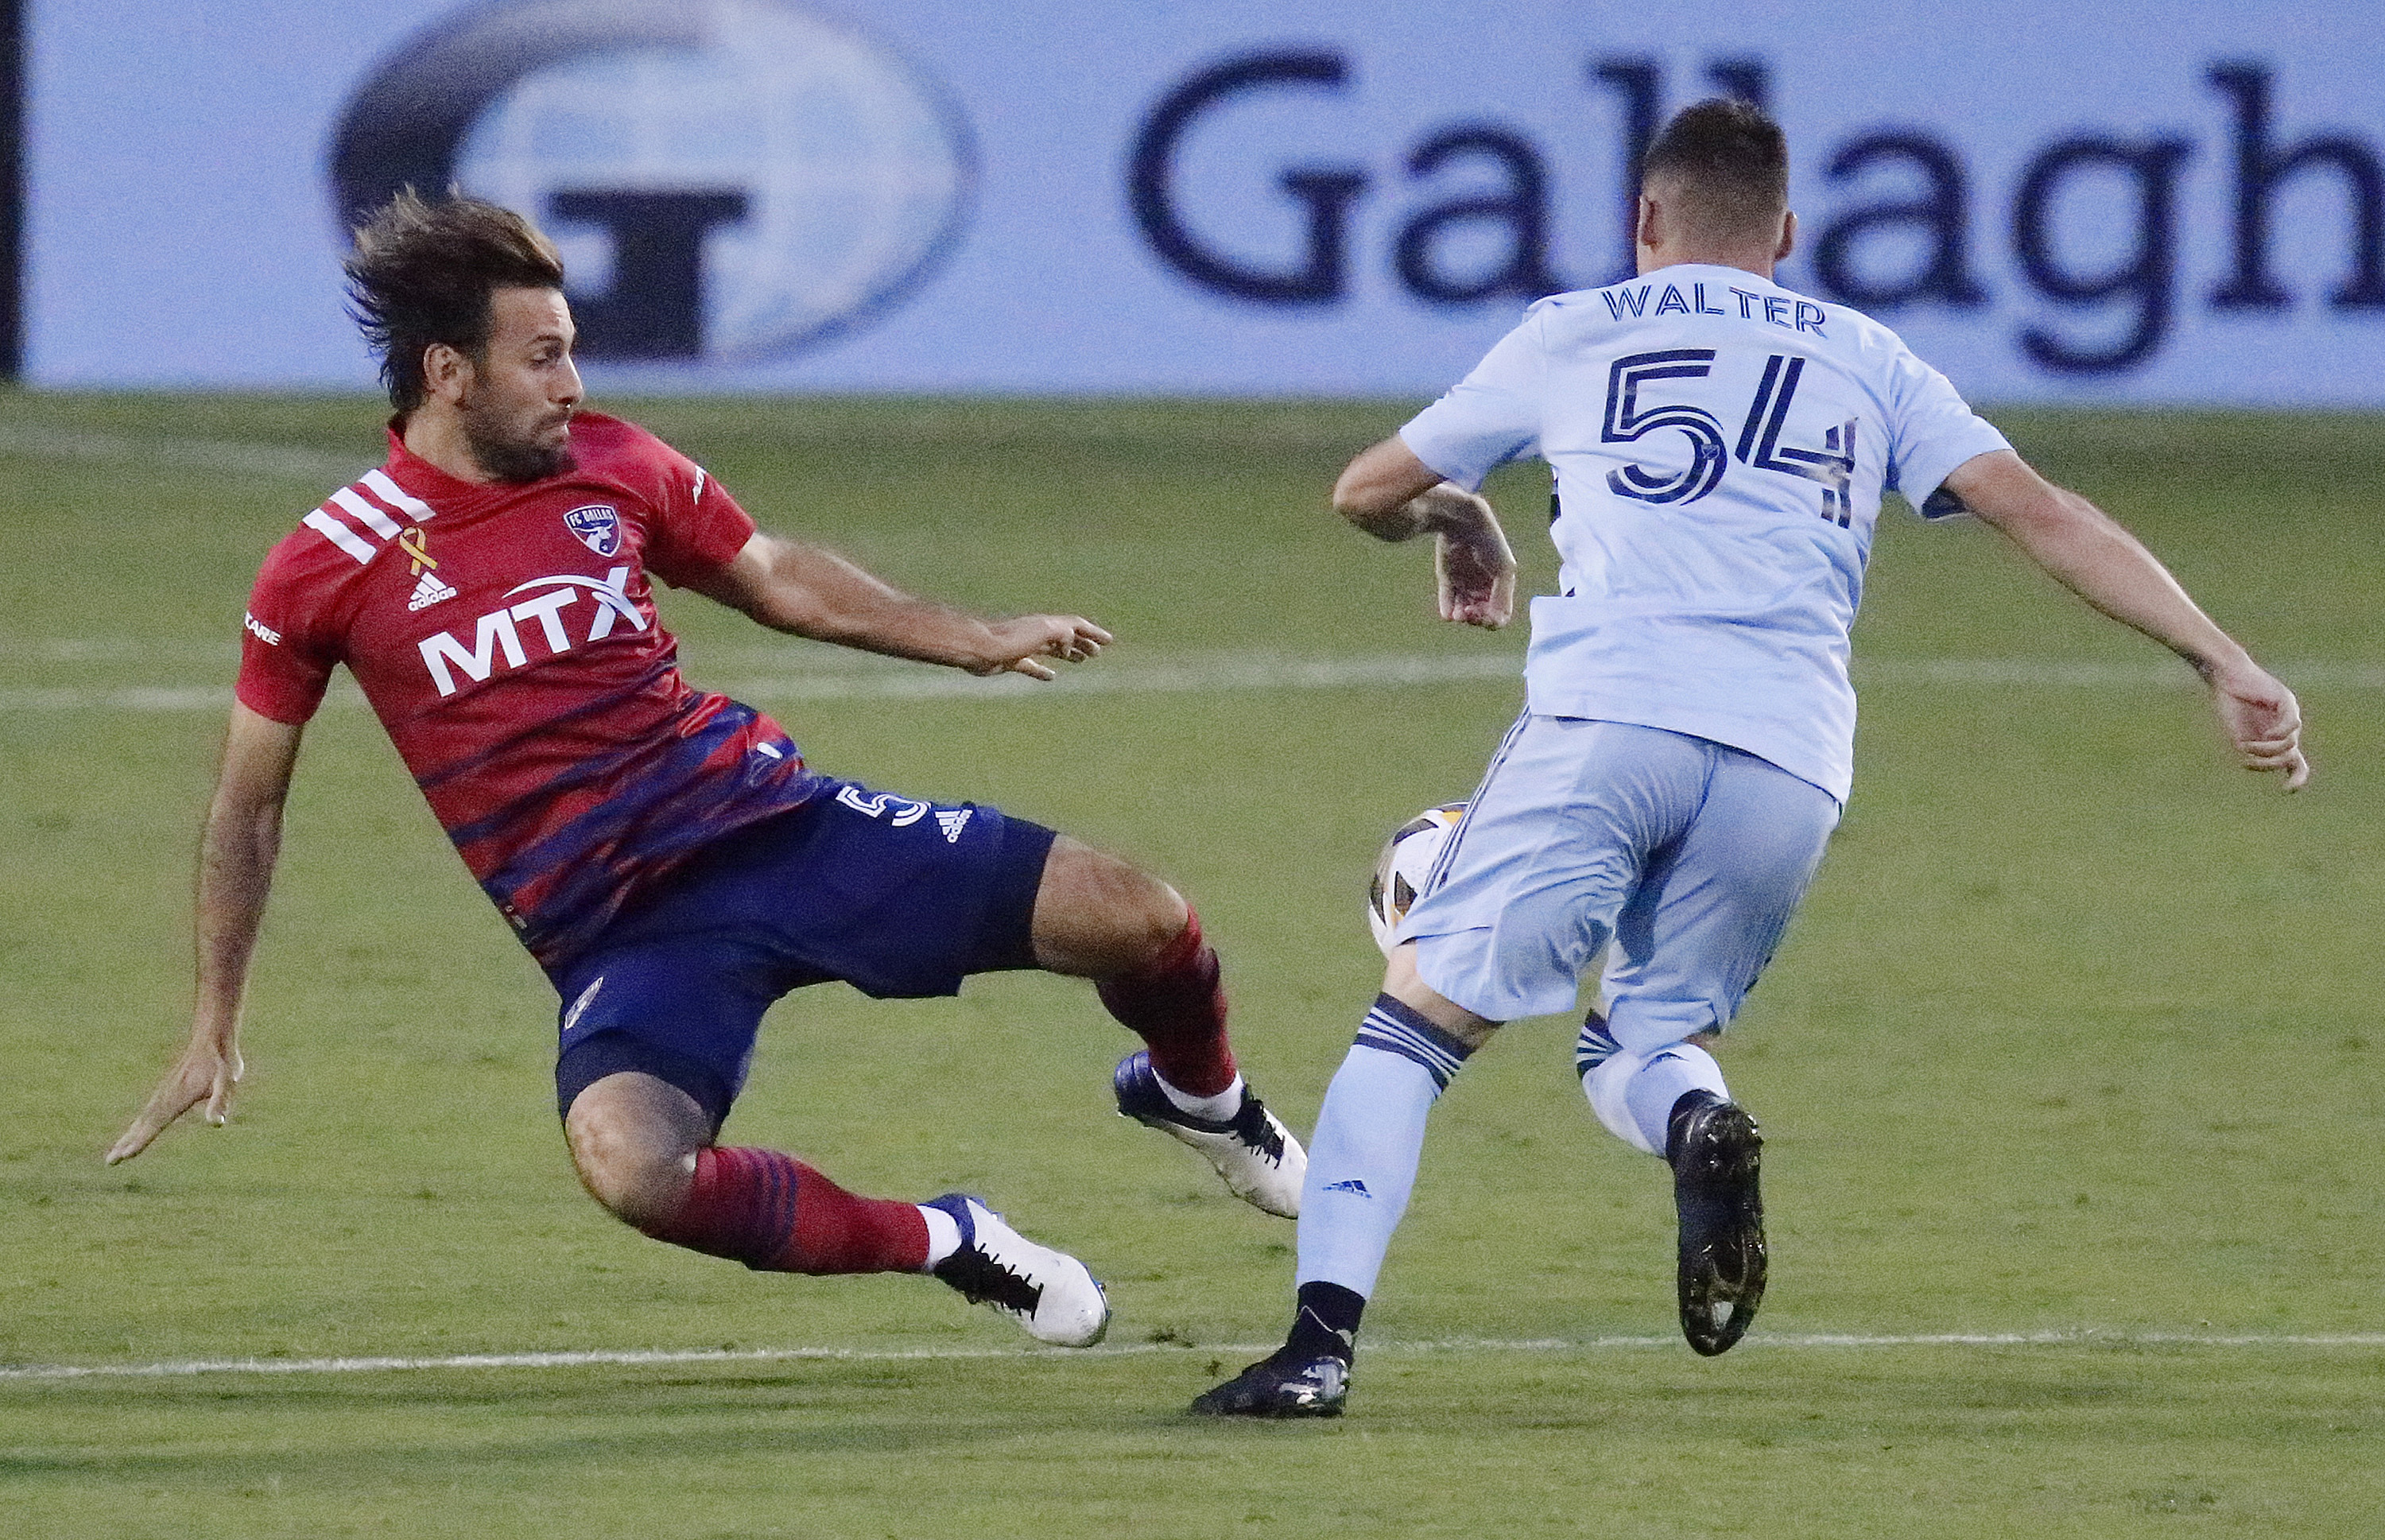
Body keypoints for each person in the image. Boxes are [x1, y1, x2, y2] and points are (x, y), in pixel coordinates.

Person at [1192, 98, 2309, 1416]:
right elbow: (2043, 514)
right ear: (1786, 232)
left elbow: (1361, 488)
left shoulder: (1577, 330)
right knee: (1647, 1037)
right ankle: (1693, 1126)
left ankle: (1318, 1348)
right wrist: (2222, 655)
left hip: (1612, 719)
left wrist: (1461, 516)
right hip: (1789, 761)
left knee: (1415, 1024)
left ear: (1644, 222)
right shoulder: (1872, 357)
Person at [107, 191, 1307, 1350]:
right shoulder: (325, 567)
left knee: (1143, 920)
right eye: (542, 358)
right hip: (619, 934)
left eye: (571, 352)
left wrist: (970, 635)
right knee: (631, 1163)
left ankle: (1200, 1098)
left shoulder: (612, 464)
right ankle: (949, 1240)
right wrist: (216, 1018)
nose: (573, 384)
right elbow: (248, 805)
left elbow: (773, 572)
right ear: (446, 371)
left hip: (773, 828)